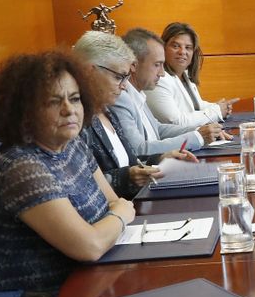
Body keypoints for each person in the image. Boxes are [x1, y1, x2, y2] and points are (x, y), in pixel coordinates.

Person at [0, 51, 136, 297]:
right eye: (53, 102)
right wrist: (117, 218)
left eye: (75, 98)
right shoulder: (20, 167)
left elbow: (114, 202)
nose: (69, 110)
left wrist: (114, 216)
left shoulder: (72, 144)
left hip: (76, 288)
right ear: (23, 112)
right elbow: (90, 244)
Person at [73, 31, 197, 198]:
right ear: (89, 72)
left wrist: (159, 159)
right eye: (119, 77)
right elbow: (80, 188)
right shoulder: (75, 124)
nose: (124, 86)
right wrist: (127, 178)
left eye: (126, 78)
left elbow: (131, 162)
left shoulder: (108, 112)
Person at [112, 27, 225, 156]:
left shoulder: (138, 93)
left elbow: (158, 129)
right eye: (157, 65)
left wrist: (200, 130)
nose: (162, 73)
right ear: (133, 65)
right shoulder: (120, 98)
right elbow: (139, 150)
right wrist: (197, 137)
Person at [146, 22, 239, 127]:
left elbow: (196, 106)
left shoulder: (184, 76)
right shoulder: (159, 80)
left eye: (188, 47)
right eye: (176, 46)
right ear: (163, 48)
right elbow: (176, 122)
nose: (182, 52)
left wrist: (221, 107)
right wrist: (217, 112)